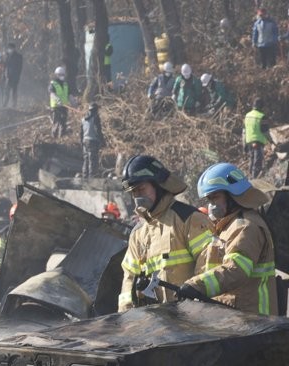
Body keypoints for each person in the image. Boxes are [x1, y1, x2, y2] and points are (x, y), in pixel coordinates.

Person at [117, 155, 212, 311]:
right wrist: (126, 319)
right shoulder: (138, 233)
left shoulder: (189, 219)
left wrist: (198, 306)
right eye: (133, 192)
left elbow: (209, 265)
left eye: (141, 189)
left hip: (191, 319)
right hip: (156, 324)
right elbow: (129, 279)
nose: (137, 197)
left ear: (159, 185)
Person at [181, 163, 276, 314]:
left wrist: (197, 285)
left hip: (253, 320)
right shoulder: (226, 226)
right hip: (235, 315)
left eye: (216, 197)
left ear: (233, 195)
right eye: (209, 199)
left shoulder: (246, 226)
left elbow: (236, 269)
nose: (211, 205)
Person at [243, 98, 271, 179]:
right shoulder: (262, 116)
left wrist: (244, 144)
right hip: (258, 142)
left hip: (249, 141)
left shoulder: (247, 115)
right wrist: (271, 141)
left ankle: (249, 178)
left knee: (251, 160)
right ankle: (255, 180)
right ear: (261, 106)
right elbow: (265, 131)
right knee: (257, 162)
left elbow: (244, 131)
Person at [81, 103, 105, 179]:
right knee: (93, 160)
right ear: (95, 110)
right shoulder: (96, 118)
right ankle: (92, 178)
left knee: (86, 159)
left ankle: (85, 177)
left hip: (85, 141)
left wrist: (81, 141)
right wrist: (102, 141)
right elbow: (98, 130)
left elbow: (80, 132)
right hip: (93, 141)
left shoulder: (83, 119)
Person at [49, 66, 70, 138]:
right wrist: (58, 100)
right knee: (56, 123)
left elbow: (69, 94)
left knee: (63, 123)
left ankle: (62, 137)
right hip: (56, 107)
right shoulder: (53, 84)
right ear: (56, 75)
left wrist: (74, 102)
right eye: (60, 75)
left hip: (64, 106)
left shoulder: (65, 84)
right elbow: (52, 94)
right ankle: (54, 137)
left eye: (63, 75)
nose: (62, 76)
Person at [4, 43, 24, 108]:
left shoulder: (18, 56)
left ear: (14, 48)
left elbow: (20, 67)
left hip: (15, 76)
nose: (9, 50)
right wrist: (6, 75)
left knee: (14, 91)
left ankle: (14, 104)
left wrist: (18, 76)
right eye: (8, 48)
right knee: (7, 90)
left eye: (10, 48)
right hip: (9, 76)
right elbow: (5, 66)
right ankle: (5, 104)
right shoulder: (8, 56)